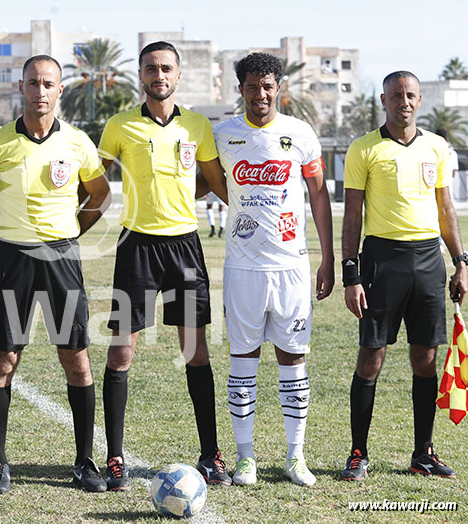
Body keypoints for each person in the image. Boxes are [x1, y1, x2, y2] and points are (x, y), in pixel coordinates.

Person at [0, 55, 110, 494]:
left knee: (76, 357)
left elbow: (99, 195)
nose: (40, 91)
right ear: (21, 87)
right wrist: (6, 237)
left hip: (62, 260)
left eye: (48, 83)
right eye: (32, 82)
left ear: (59, 91)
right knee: (4, 359)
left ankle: (85, 462)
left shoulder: (78, 143)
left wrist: (71, 232)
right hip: (14, 260)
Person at [98, 41, 230, 490]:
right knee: (121, 351)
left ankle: (211, 455)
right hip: (136, 247)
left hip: (185, 248)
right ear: (141, 75)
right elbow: (92, 183)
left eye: (167, 69)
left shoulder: (196, 126)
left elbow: (215, 183)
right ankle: (115, 458)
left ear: (178, 76)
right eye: (152, 68)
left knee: (196, 352)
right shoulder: (118, 127)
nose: (160, 75)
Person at [213, 52, 334, 487]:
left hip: (292, 267)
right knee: (243, 358)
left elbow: (318, 196)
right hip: (243, 267)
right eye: (251, 86)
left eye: (267, 86)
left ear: (278, 87)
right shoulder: (223, 135)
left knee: (293, 357)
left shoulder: (300, 134)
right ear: (240, 89)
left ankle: (294, 456)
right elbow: (211, 180)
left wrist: (328, 257)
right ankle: (245, 457)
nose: (259, 94)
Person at [341, 70, 467, 481]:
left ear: (419, 100)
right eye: (397, 95)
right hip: (382, 259)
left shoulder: (437, 147)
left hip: (429, 259)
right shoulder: (364, 149)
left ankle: (423, 453)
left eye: (411, 95)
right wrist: (351, 274)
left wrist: (461, 261)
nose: (405, 102)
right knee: (371, 357)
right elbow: (353, 215)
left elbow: (446, 210)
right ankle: (358, 452)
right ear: (383, 100)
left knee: (425, 359)